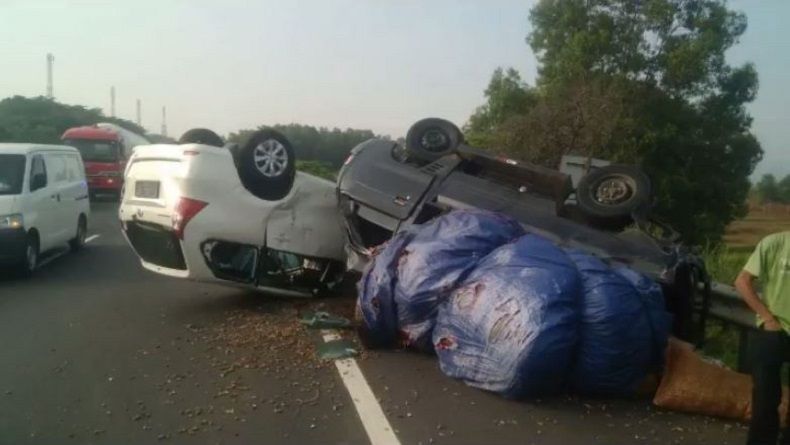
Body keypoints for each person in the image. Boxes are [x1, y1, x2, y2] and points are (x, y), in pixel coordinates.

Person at [735, 231, 790, 445]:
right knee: (766, 398)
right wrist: (767, 317)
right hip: (773, 330)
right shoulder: (774, 243)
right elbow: (742, 281)